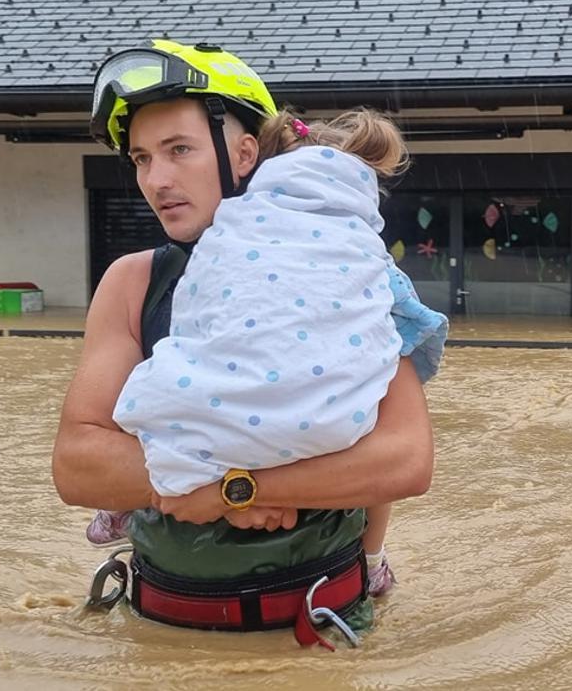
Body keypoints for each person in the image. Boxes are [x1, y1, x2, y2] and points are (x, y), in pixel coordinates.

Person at [54, 39, 434, 643]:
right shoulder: (133, 282)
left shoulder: (350, 270)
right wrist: (231, 489)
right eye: (142, 159)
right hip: (159, 629)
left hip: (320, 633)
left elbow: (405, 459)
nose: (158, 179)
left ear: (244, 153)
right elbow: (77, 467)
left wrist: (237, 487)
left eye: (179, 150)